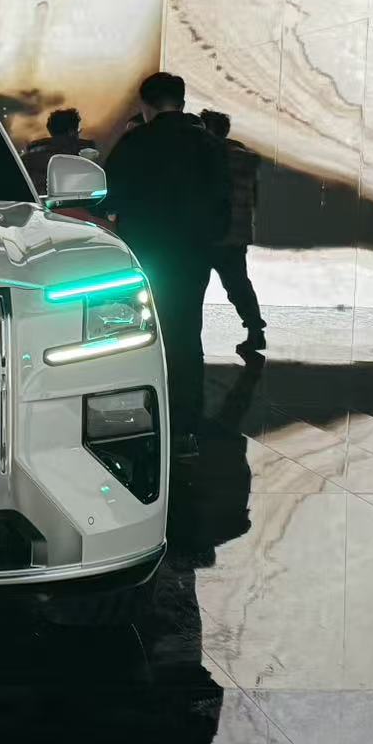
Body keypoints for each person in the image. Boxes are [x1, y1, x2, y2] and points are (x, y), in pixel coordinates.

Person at [105, 73, 231, 457]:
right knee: (187, 337)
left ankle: (138, 423)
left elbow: (110, 197)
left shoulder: (134, 143)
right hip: (192, 255)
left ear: (145, 105)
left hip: (145, 255)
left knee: (140, 334)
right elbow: (223, 205)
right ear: (182, 101)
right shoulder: (209, 145)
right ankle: (183, 431)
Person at [199, 110, 267, 355]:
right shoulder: (244, 160)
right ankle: (255, 331)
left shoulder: (206, 158)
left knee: (193, 290)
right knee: (238, 285)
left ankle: (190, 341)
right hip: (236, 234)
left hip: (204, 233)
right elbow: (253, 199)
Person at [22, 107, 97, 194]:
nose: (79, 135)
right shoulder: (80, 158)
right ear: (71, 132)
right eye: (79, 131)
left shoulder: (26, 159)